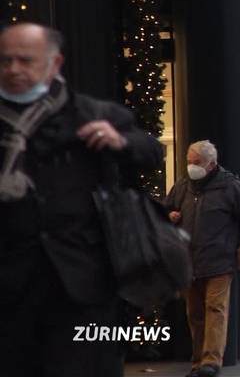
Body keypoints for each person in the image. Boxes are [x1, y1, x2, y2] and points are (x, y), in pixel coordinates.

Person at [0, 23, 164, 377]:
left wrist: (120, 142)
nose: (13, 69)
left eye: (25, 60)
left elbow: (152, 151)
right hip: (10, 285)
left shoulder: (89, 113)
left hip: (82, 283)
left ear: (54, 63)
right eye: (5, 60)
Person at [166, 140, 240, 377]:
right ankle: (198, 362)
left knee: (215, 309)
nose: (191, 167)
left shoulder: (229, 186)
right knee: (195, 314)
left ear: (211, 164)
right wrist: (169, 215)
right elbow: (164, 211)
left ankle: (211, 362)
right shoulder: (182, 187)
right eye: (189, 162)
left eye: (196, 163)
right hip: (189, 261)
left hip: (220, 260)